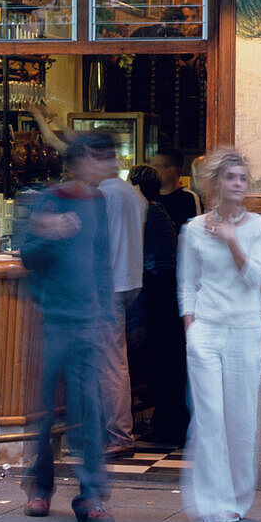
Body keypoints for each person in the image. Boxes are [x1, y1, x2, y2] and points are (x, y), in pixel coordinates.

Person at [20, 133, 115, 522]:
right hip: (52, 320)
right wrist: (49, 232)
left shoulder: (99, 203)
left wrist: (108, 312)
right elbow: (27, 254)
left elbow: (101, 258)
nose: (107, 165)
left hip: (88, 321)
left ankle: (90, 496)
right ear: (79, 161)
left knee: (89, 410)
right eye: (100, 158)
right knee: (45, 411)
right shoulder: (49, 199)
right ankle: (40, 488)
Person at [177, 148, 261, 522]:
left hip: (245, 331)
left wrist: (232, 240)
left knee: (241, 418)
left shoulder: (259, 226)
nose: (237, 184)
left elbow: (255, 279)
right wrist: (191, 330)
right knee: (210, 418)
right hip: (206, 332)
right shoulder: (193, 229)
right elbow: (187, 285)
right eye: (230, 177)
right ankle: (213, 504)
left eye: (243, 178)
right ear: (216, 183)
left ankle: (237, 500)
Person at [128, 165, 189, 446]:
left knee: (159, 358)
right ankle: (167, 420)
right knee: (167, 358)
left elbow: (139, 257)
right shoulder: (159, 209)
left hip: (156, 288)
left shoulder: (146, 213)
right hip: (167, 286)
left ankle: (167, 423)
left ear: (137, 188)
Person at [97, 139, 147, 457]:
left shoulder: (102, 194)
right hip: (131, 281)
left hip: (108, 284)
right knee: (115, 358)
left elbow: (96, 242)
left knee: (111, 362)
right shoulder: (134, 194)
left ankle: (118, 434)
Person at [151, 147, 198, 235]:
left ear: (170, 170)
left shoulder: (188, 198)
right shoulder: (150, 197)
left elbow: (196, 232)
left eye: (155, 166)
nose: (152, 170)